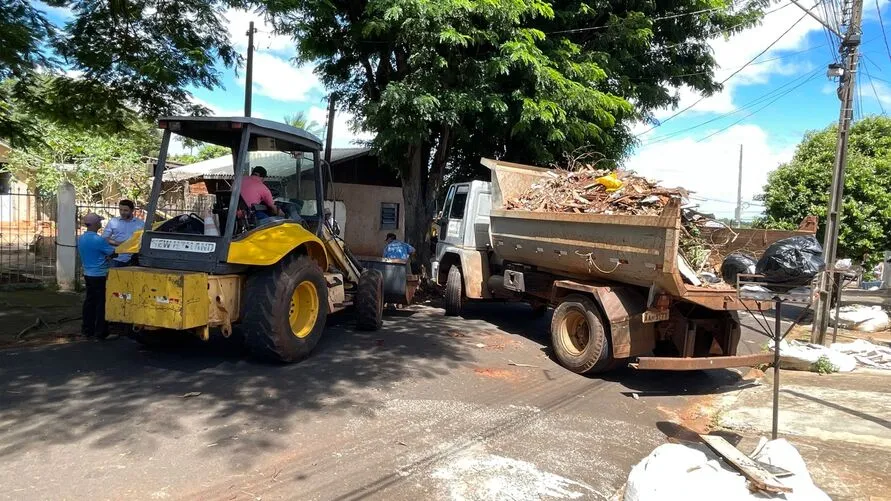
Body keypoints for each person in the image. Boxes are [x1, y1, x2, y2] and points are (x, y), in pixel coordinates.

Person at [78, 213, 116, 339]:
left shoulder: (81, 238)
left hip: (88, 273)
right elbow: (113, 252)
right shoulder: (98, 240)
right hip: (100, 275)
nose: (100, 224)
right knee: (101, 303)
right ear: (95, 224)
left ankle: (87, 329)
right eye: (99, 222)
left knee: (89, 302)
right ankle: (101, 332)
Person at [103, 199, 144, 267]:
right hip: (116, 258)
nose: (122, 212)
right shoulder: (113, 221)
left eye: (125, 210)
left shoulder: (140, 224)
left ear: (132, 210)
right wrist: (120, 244)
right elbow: (104, 238)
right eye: (120, 210)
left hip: (133, 259)